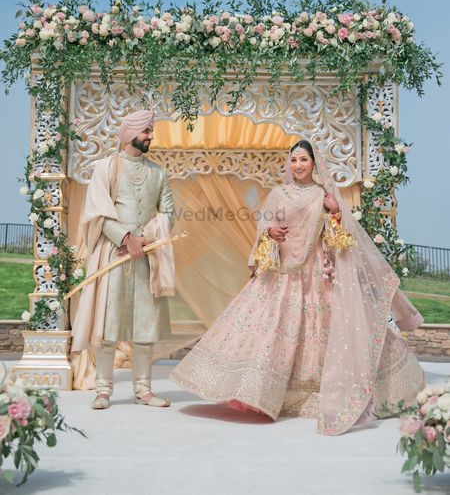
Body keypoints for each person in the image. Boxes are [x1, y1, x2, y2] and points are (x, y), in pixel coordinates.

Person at [170, 140, 425, 435]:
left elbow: (340, 241)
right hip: (281, 272)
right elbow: (263, 224)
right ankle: (257, 392)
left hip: (317, 274)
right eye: (293, 160)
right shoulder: (279, 193)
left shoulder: (324, 196)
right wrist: (269, 232)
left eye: (303, 159)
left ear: (315, 163)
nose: (298, 165)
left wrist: (335, 214)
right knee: (266, 331)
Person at [71, 109, 176, 409]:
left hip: (147, 257)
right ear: (130, 133)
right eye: (146, 131)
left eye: (150, 130)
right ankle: (103, 389)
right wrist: (126, 238)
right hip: (113, 254)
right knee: (108, 324)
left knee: (145, 325)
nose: (151, 136)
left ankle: (143, 390)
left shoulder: (158, 173)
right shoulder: (106, 168)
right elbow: (97, 211)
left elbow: (169, 212)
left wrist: (146, 239)